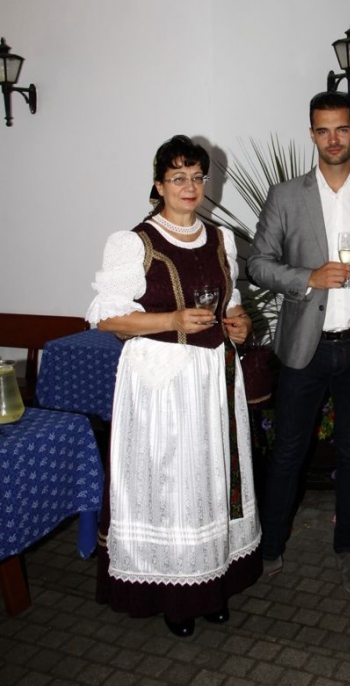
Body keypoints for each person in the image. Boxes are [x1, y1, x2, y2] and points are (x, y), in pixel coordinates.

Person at [86, 135, 261, 638]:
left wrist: (240, 323)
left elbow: (230, 301)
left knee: (211, 478)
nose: (190, 186)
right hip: (161, 383)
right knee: (172, 482)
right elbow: (106, 319)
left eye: (197, 176)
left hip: (211, 379)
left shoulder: (221, 239)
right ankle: (175, 596)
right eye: (178, 177)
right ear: (159, 185)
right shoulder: (134, 242)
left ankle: (212, 584)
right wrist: (172, 319)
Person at [247, 91, 350, 596]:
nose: (333, 139)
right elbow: (258, 263)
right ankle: (270, 547)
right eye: (323, 130)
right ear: (311, 134)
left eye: (342, 129)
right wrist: (308, 277)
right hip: (305, 346)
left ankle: (348, 548)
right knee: (288, 453)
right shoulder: (286, 195)